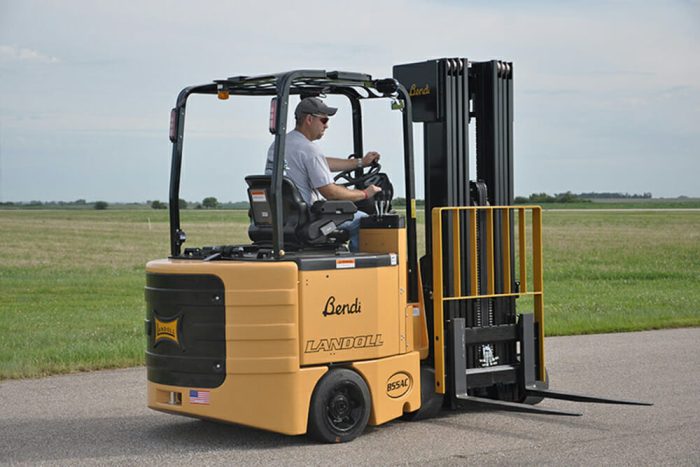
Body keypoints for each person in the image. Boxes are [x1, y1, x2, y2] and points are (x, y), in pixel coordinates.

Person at [265, 97, 382, 252]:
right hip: (309, 222)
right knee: (363, 221)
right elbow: (331, 193)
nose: (327, 125)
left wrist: (361, 162)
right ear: (309, 119)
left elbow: (321, 163)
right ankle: (360, 268)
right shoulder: (309, 149)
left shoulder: (281, 144)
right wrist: (365, 194)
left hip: (284, 220)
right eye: (324, 120)